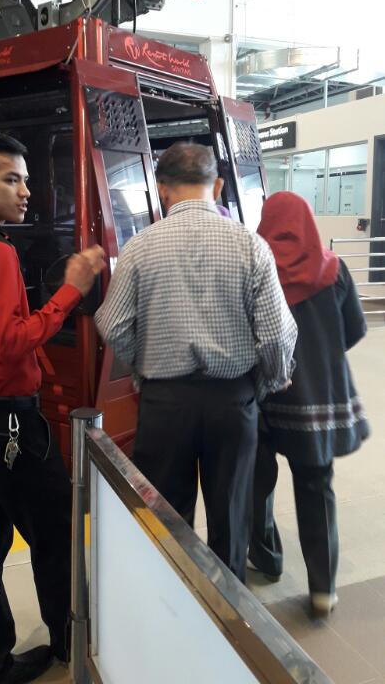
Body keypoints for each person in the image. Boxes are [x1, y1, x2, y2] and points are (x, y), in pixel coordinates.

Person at [0, 132, 105, 684]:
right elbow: (12, 341)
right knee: (54, 528)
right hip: (5, 416)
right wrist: (71, 289)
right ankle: (69, 641)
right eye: (12, 179)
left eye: (26, 178)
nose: (26, 190)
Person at [95, 142, 297, 582]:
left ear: (162, 190)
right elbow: (278, 333)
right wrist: (265, 383)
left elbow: (111, 324)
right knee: (232, 516)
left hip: (165, 404)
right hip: (232, 402)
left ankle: (173, 606)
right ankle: (228, 620)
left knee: (167, 519)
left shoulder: (139, 248)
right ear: (219, 185)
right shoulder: (250, 245)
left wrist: (142, 368)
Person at [248, 191, 369, 617]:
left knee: (255, 484)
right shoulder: (333, 270)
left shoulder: (257, 270)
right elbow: (354, 330)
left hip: (265, 399)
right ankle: (323, 590)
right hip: (320, 401)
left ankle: (267, 559)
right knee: (316, 489)